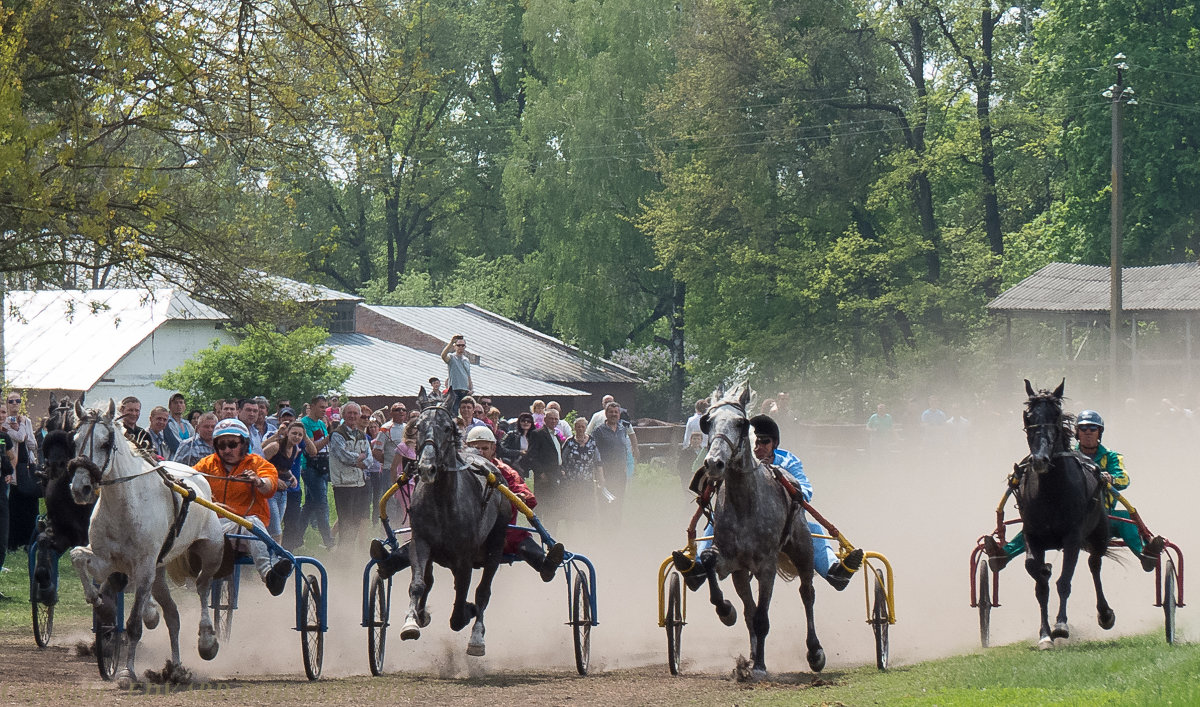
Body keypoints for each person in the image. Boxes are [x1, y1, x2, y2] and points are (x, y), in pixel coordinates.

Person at [673, 415, 863, 592]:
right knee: (716, 522)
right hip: (743, 525)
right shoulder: (741, 463)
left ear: (774, 444)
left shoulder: (788, 461)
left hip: (784, 524)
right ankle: (698, 569)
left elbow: (806, 489)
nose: (759, 446)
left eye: (765, 441)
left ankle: (834, 572)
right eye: (756, 441)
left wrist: (793, 493)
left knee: (814, 531)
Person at [370, 425, 565, 582]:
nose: (480, 452)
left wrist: (521, 496)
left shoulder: (503, 470)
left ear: (493, 449)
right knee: (424, 540)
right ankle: (388, 564)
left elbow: (522, 490)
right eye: (476, 447)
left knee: (519, 538)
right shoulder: (456, 472)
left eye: (484, 448)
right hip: (458, 533)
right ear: (466, 448)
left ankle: (545, 566)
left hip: (499, 533)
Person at [982, 409, 1166, 572]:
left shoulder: (1112, 457)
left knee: (1126, 517)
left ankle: (1144, 555)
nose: (1087, 433)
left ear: (1099, 432)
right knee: (1034, 526)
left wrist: (1110, 478)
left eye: (1092, 429)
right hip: (1067, 517)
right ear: (1077, 433)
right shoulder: (1067, 457)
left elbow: (1124, 479)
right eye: (1083, 429)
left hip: (1102, 517)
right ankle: (1003, 555)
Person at [193, 419, 292, 596]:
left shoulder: (257, 464)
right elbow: (190, 483)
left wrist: (258, 481)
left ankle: (270, 576)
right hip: (213, 529)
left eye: (232, 444)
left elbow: (270, 485)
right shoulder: (206, 465)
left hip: (246, 532)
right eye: (221, 446)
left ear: (244, 444)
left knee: (250, 523)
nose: (226, 450)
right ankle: (271, 569)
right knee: (249, 523)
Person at [263, 420, 312, 543]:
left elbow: (284, 468)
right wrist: (274, 479)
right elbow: (257, 463)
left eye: (300, 435)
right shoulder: (276, 446)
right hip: (270, 491)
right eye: (294, 433)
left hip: (283, 492)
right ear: (287, 433)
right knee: (276, 531)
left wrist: (292, 476)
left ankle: (272, 555)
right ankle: (276, 559)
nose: (297, 437)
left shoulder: (295, 449)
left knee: (275, 528)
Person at [298, 395, 336, 550]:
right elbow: (312, 449)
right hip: (310, 467)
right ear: (312, 406)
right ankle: (329, 542)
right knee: (322, 505)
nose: (324, 410)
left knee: (310, 505)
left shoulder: (321, 423)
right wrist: (329, 436)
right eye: (321, 407)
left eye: (325, 407)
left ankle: (296, 537)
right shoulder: (304, 423)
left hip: (322, 467)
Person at [590, 402, 634, 522]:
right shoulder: (599, 431)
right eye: (611, 412)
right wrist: (599, 473)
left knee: (619, 500)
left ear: (619, 414)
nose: (614, 414)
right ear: (606, 414)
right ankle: (606, 528)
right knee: (606, 501)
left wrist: (625, 465)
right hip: (605, 472)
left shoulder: (622, 429)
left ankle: (616, 527)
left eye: (616, 412)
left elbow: (624, 448)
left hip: (620, 472)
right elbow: (594, 451)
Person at [561, 417, 601, 522]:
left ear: (586, 427)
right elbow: (562, 460)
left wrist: (601, 476)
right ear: (574, 428)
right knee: (572, 504)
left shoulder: (592, 441)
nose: (580, 429)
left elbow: (598, 460)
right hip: (572, 480)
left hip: (587, 480)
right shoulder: (569, 442)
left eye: (583, 426)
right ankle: (572, 525)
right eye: (578, 426)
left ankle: (587, 526)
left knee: (588, 504)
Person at [0, 427, 16, 597]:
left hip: (1, 495)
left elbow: (12, 457)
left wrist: (9, 473)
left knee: (1, 541)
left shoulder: (4, 437)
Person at [440, 335, 473, 411]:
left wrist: (471, 388)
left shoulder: (466, 360)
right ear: (455, 346)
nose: (460, 347)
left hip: (465, 391)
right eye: (458, 345)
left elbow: (468, 376)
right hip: (454, 391)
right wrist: (451, 342)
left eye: (462, 345)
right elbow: (443, 356)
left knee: (465, 411)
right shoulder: (451, 358)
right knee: (453, 411)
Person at [164, 392, 194, 456]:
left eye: (181, 402)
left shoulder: (187, 424)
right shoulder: (167, 423)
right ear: (169, 406)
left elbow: (195, 442)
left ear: (184, 406)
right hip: (173, 461)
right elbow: (177, 446)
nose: (179, 405)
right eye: (175, 403)